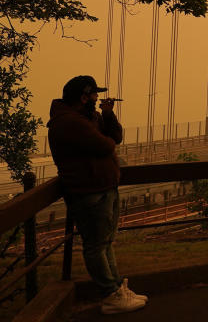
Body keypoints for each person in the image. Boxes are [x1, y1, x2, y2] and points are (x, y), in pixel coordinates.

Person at [47, 75, 147, 314]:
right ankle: (111, 296)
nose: (98, 98)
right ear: (83, 97)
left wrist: (108, 114)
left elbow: (116, 137)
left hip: (102, 188)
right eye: (94, 95)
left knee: (105, 243)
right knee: (96, 245)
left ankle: (116, 288)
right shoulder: (70, 122)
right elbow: (106, 145)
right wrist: (105, 135)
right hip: (89, 192)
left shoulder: (86, 118)